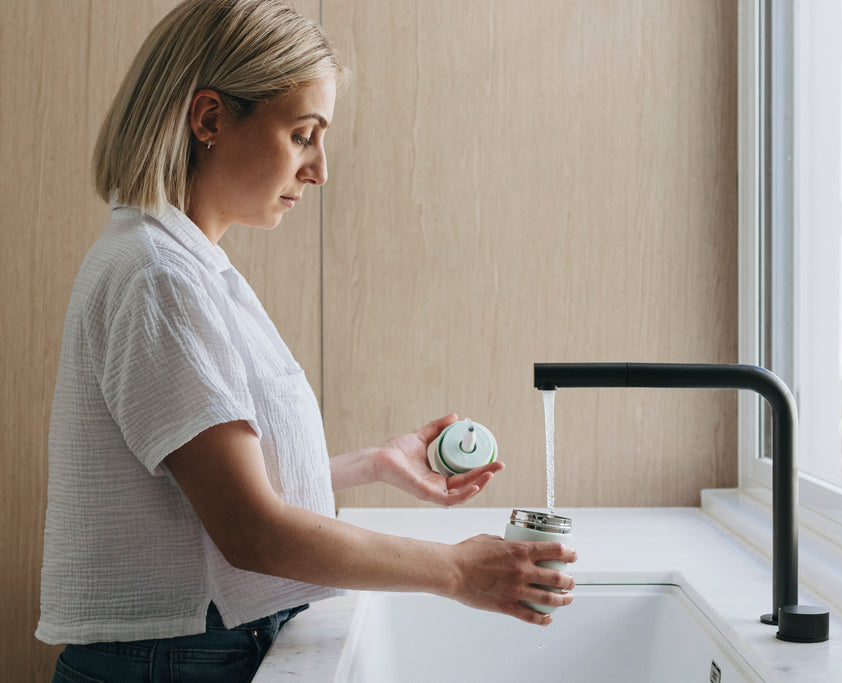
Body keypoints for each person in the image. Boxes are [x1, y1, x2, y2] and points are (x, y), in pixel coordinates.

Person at [37, 1, 576, 681]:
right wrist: (456, 569)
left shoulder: (183, 263)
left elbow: (210, 490)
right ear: (209, 119)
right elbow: (251, 530)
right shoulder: (157, 276)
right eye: (302, 135)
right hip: (177, 662)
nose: (319, 169)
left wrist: (372, 463)